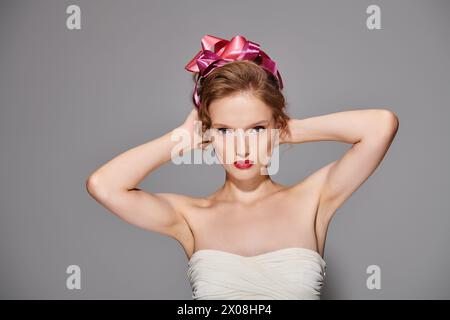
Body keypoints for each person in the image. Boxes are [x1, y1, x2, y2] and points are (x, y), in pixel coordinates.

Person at [86, 34, 399, 299]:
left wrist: (285, 129)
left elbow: (380, 126)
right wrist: (180, 138)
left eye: (256, 129)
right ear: (207, 132)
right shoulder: (190, 217)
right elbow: (104, 185)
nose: (242, 146)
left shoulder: (314, 199)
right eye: (225, 131)